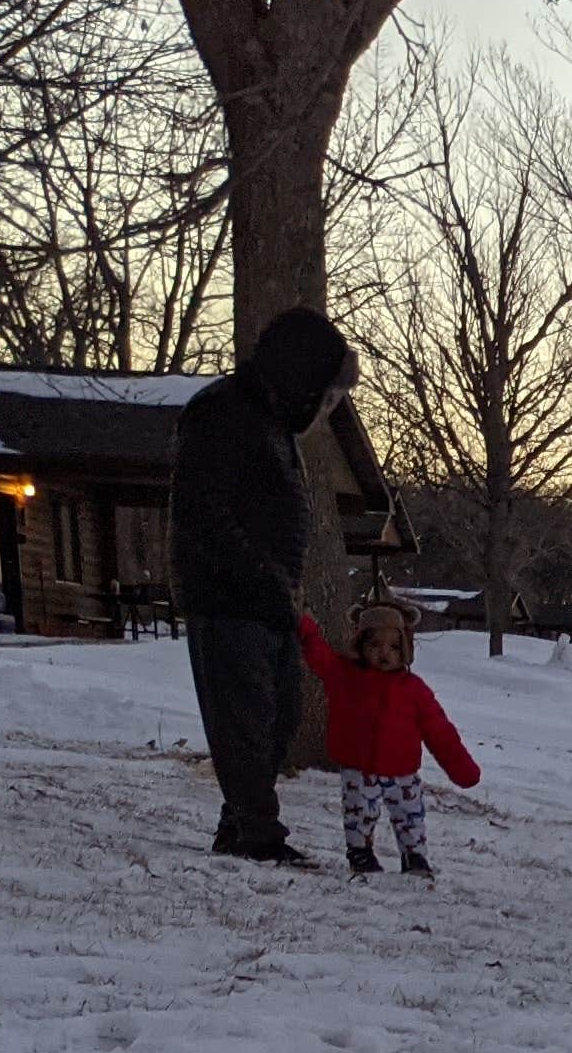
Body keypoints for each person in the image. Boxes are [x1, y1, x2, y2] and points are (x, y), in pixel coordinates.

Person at [171, 306, 359, 863]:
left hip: (268, 601)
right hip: (228, 596)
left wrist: (281, 590)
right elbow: (205, 514)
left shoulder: (270, 423)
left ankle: (239, 824)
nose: (327, 409)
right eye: (325, 394)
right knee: (245, 721)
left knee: (279, 718)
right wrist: (258, 576)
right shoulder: (222, 413)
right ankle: (257, 834)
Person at [296, 602, 480, 876]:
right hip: (358, 767)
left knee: (410, 816)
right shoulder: (344, 675)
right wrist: (305, 628)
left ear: (405, 650)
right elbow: (319, 655)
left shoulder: (414, 690)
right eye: (375, 645)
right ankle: (360, 854)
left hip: (402, 771)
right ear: (360, 646)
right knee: (359, 814)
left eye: (394, 647)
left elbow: (440, 732)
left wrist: (462, 769)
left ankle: (414, 856)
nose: (384, 653)